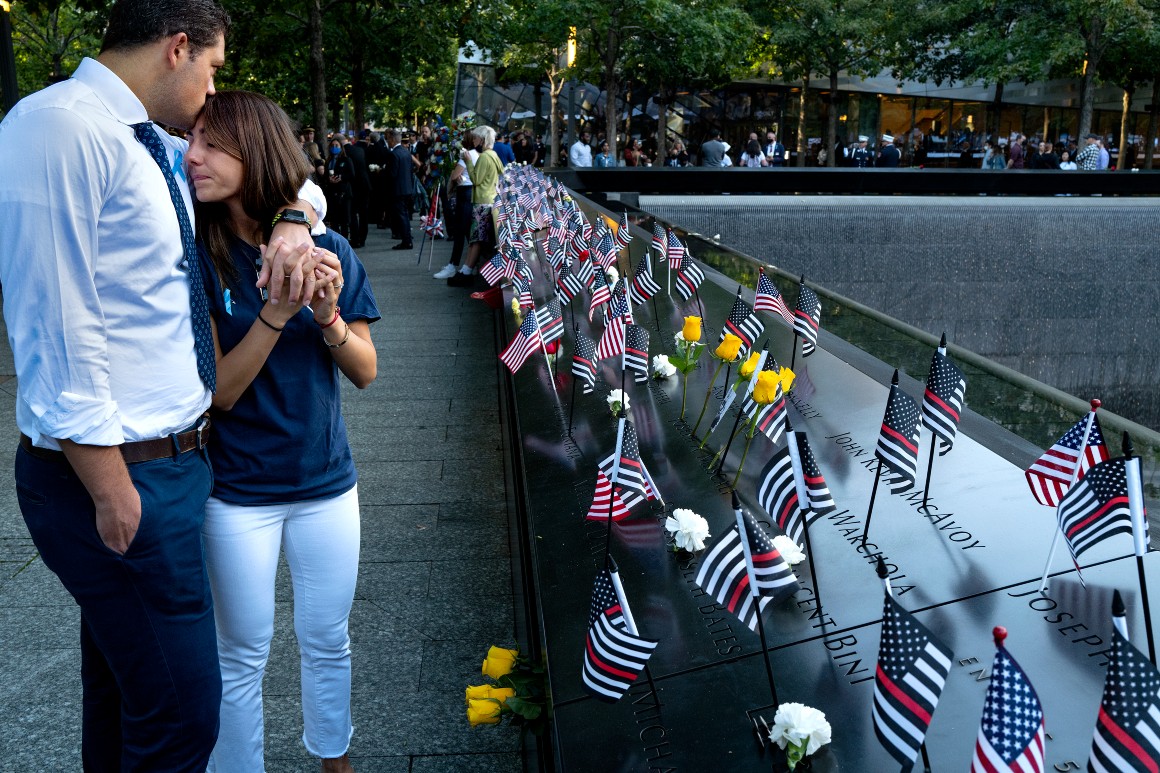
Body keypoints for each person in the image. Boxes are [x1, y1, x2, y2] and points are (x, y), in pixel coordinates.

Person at [0, 0, 324, 769]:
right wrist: (114, 491)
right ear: (178, 48)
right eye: (212, 71)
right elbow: (55, 319)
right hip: (121, 472)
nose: (214, 93)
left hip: (172, 466)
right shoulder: (58, 128)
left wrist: (291, 218)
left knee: (127, 696)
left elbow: (289, 180)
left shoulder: (150, 143)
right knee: (182, 719)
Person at [187, 89, 378, 773]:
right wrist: (276, 311)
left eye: (210, 142)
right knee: (241, 652)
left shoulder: (327, 249)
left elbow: (365, 369)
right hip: (237, 492)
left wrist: (325, 314)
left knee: (328, 637)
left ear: (255, 150)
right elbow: (222, 393)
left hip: (326, 482)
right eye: (193, 139)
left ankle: (335, 760)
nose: (193, 155)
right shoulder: (199, 257)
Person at [450, 125, 504, 286]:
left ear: (481, 139)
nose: (473, 140)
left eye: (475, 138)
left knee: (476, 238)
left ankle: (466, 271)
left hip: (481, 201)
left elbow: (476, 179)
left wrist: (468, 162)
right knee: (476, 238)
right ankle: (466, 270)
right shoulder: (493, 155)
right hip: (490, 198)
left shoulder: (484, 157)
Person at [434, 135, 477, 279]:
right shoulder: (480, 154)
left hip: (465, 192)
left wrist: (453, 178)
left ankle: (454, 264)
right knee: (465, 231)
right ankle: (467, 265)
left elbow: (455, 176)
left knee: (460, 230)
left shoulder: (468, 155)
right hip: (471, 192)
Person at [388, 130, 414, 248]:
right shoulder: (406, 152)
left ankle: (406, 240)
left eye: (389, 139)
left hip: (397, 189)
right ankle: (407, 238)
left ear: (393, 140)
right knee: (405, 214)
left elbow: (392, 174)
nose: (388, 142)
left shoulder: (394, 154)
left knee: (401, 215)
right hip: (407, 188)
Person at [325, 136, 354, 239]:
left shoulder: (346, 160)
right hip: (332, 193)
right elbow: (325, 175)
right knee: (334, 220)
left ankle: (345, 240)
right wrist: (329, 180)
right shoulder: (328, 161)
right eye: (332, 146)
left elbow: (352, 175)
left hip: (344, 193)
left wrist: (341, 178)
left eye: (336, 145)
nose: (334, 147)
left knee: (344, 220)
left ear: (341, 147)